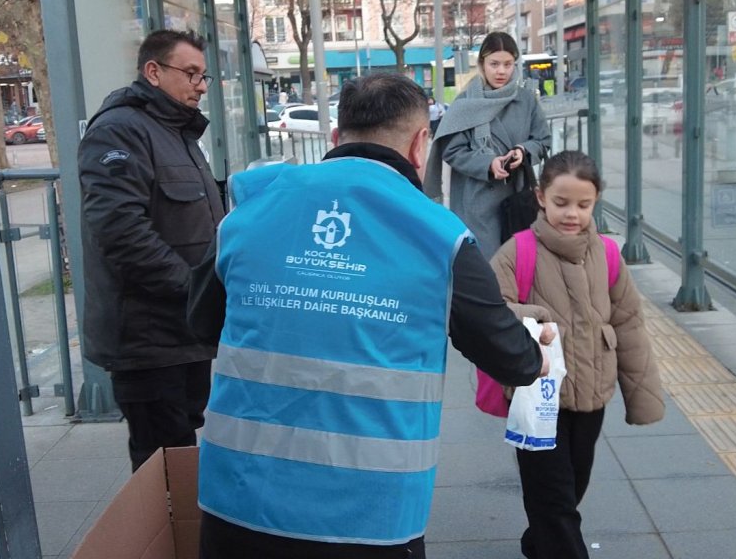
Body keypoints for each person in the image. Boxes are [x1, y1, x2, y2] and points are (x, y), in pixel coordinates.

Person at [188, 73, 550, 559]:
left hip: (239, 501)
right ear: (421, 145)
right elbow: (511, 358)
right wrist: (537, 356)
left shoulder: (252, 208)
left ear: (336, 138)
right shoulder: (438, 237)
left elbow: (201, 323)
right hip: (367, 516)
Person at [489, 150, 665, 559]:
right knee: (553, 496)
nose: (572, 214)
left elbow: (629, 324)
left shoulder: (607, 254)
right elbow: (490, 312)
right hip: (537, 396)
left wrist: (643, 398)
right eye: (561, 203)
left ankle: (539, 543)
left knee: (572, 486)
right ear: (540, 197)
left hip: (590, 396)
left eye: (583, 205)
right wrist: (534, 317)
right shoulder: (517, 252)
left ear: (596, 200)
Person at [77, 29, 226, 471]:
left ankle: (182, 534)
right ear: (153, 72)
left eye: (204, 76)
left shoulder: (175, 131)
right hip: (147, 335)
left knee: (180, 447)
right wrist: (193, 287)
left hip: (183, 331)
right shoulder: (121, 130)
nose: (200, 85)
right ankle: (166, 539)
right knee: (163, 460)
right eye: (191, 73)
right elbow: (120, 230)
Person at [426, 31, 552, 258]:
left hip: (518, 197)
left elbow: (542, 140)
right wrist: (488, 163)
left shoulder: (526, 100)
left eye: (507, 64)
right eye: (494, 64)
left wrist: (523, 151)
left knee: (520, 263)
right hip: (476, 201)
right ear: (482, 64)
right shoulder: (465, 103)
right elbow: (452, 151)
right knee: (488, 267)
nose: (501, 71)